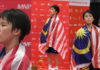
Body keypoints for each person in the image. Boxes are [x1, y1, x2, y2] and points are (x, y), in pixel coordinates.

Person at [39, 5, 67, 70]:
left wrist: (56, 39)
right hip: (48, 40)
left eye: (52, 9)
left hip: (55, 41)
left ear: (56, 11)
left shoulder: (58, 20)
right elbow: (46, 29)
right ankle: (50, 67)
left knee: (56, 54)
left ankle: (57, 67)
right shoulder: (48, 19)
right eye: (50, 9)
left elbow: (60, 31)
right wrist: (45, 38)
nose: (50, 10)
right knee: (48, 53)